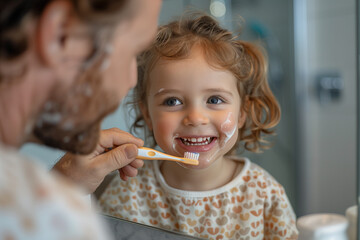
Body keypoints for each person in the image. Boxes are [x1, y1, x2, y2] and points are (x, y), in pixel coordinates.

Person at [99, 13, 299, 239]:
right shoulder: (128, 190)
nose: (195, 118)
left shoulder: (264, 194)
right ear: (147, 113)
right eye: (172, 101)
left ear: (242, 112)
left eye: (214, 100)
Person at [0, 0, 161, 239]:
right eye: (133, 53)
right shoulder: (55, 218)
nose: (132, 81)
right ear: (62, 34)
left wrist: (60, 187)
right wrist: (58, 206)